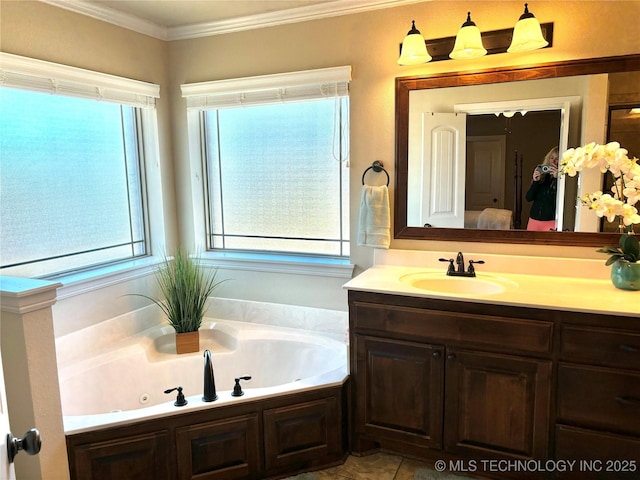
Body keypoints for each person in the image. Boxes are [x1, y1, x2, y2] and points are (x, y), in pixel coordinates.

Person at [526, 146, 559, 231]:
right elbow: (529, 198)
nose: (554, 161)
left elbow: (560, 199)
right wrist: (535, 181)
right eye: (552, 158)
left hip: (551, 221)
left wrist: (557, 179)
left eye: (557, 158)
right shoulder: (543, 176)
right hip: (534, 220)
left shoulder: (563, 179)